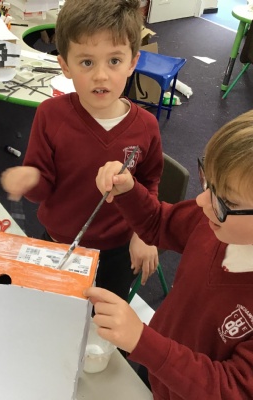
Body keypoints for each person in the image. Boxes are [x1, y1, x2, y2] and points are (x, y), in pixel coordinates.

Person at [1, 0, 163, 301]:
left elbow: (149, 183)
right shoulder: (50, 115)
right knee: (51, 311)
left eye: (114, 61)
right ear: (65, 66)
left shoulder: (146, 126)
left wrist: (144, 233)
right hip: (58, 244)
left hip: (116, 251)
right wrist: (30, 179)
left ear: (132, 62)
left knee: (102, 321)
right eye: (87, 63)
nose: (101, 75)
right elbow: (42, 189)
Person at [87, 109, 253, 399]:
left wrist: (143, 341)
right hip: (157, 358)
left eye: (225, 200)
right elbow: (159, 224)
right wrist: (128, 191)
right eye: (208, 182)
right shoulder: (211, 220)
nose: (201, 200)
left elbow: (231, 389)